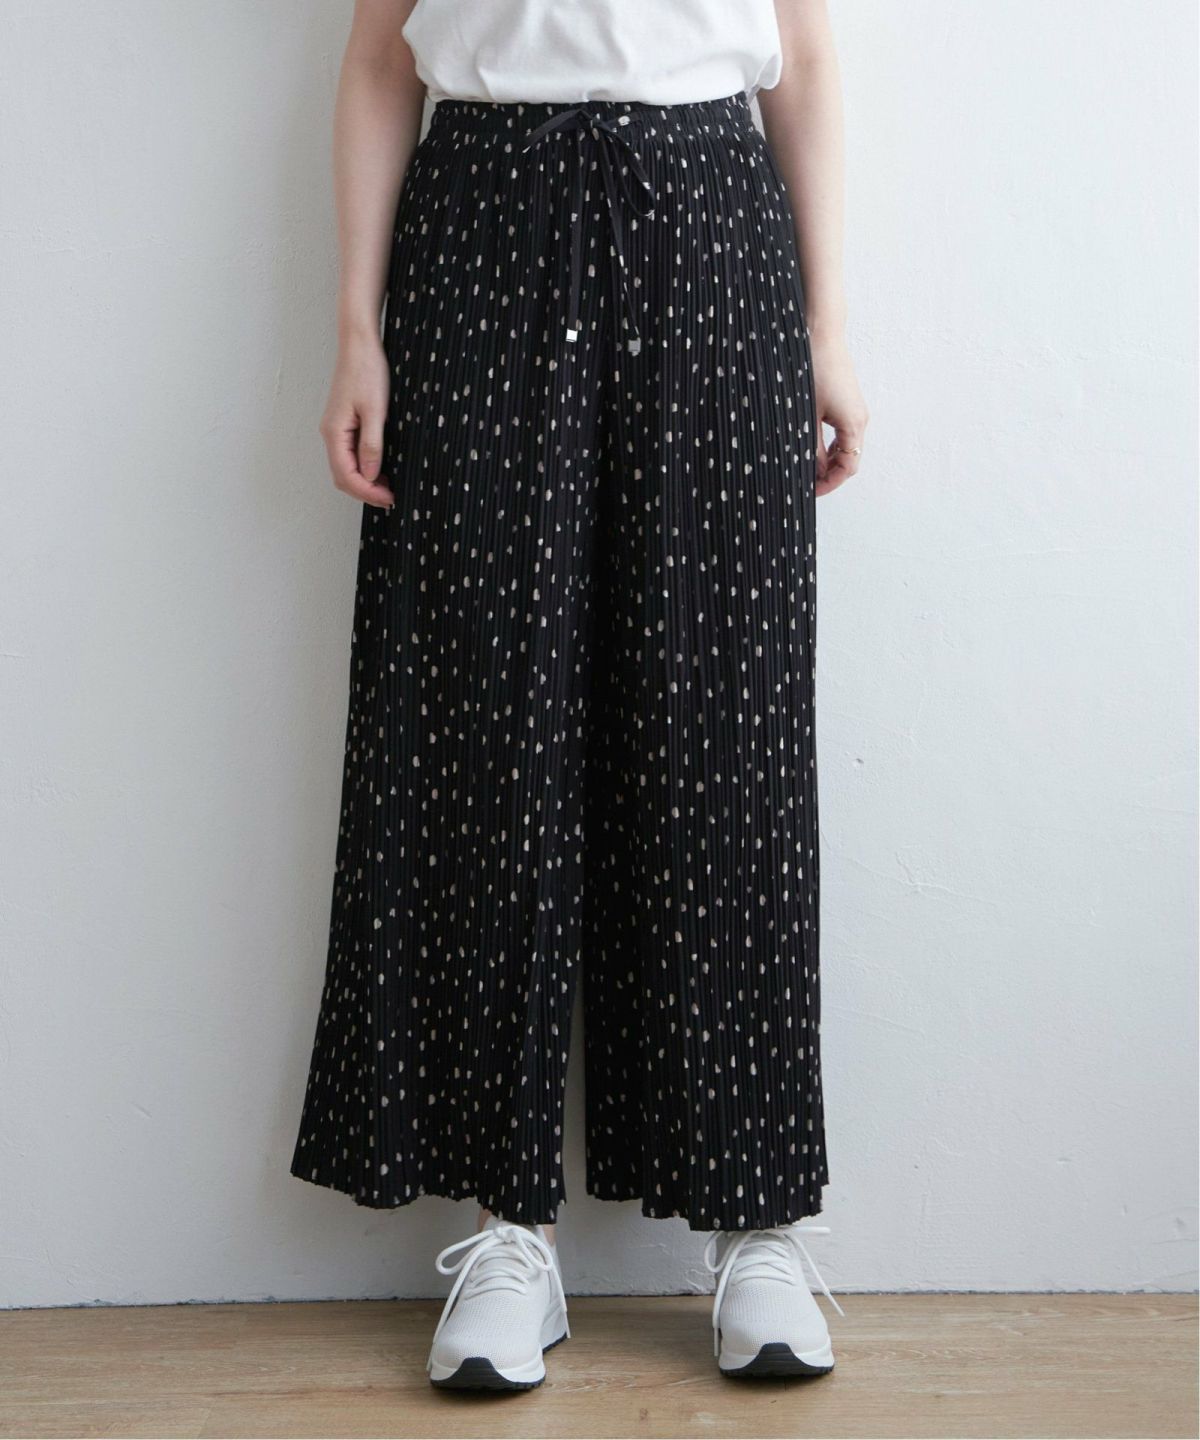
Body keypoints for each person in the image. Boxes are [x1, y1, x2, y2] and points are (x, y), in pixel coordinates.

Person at [291, 0, 868, 1391]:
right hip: (481, 217)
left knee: (721, 722)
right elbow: (378, 58)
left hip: (713, 218)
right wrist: (357, 329)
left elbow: (803, 58)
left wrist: (828, 328)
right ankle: (511, 1228)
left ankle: (756, 1220)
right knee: (483, 718)